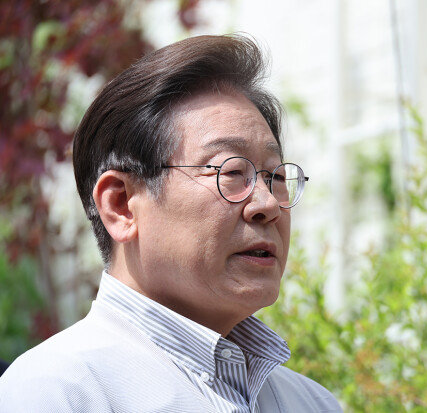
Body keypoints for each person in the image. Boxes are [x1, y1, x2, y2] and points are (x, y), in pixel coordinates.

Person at [0, 35, 341, 412]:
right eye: (231, 171)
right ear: (121, 206)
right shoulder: (59, 392)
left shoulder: (313, 403)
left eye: (274, 176)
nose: (267, 204)